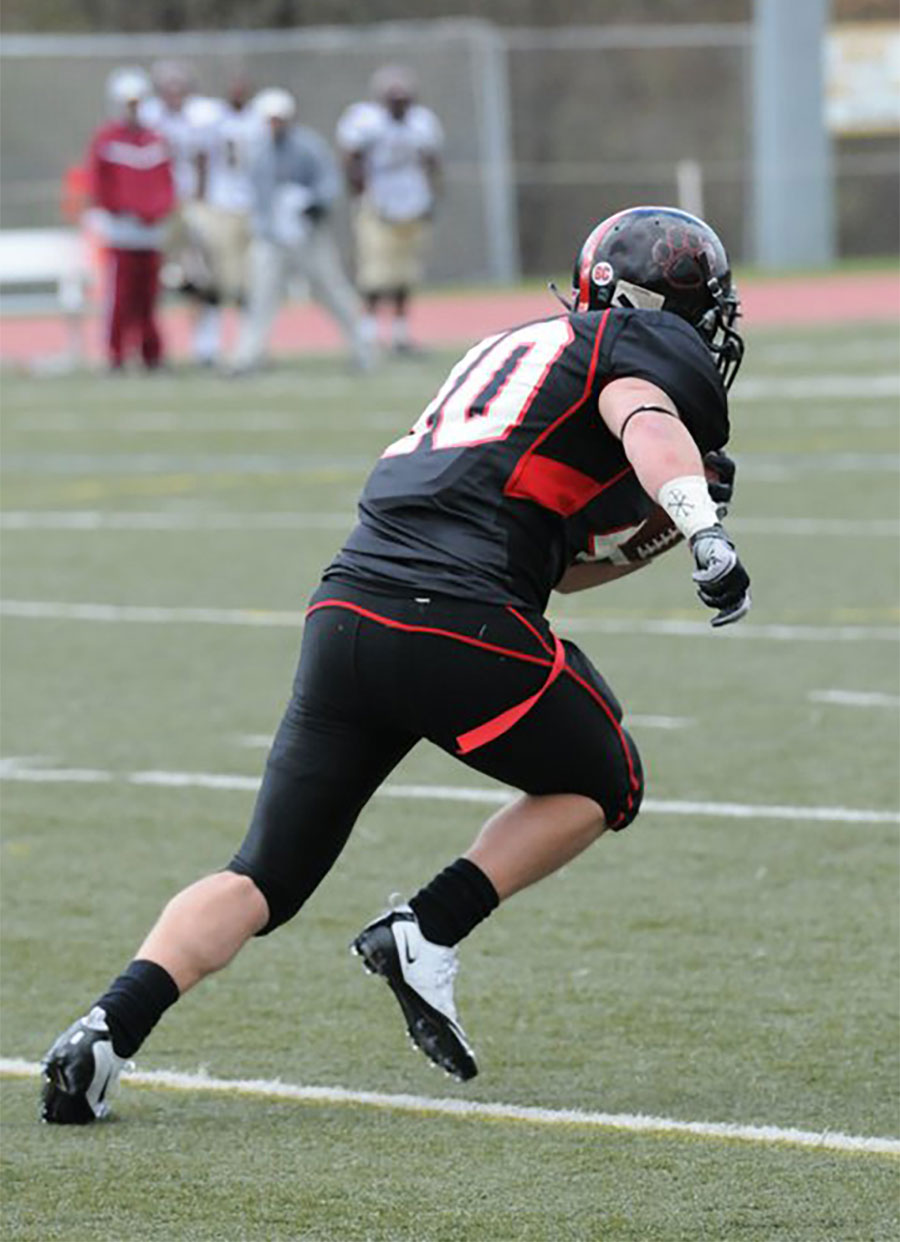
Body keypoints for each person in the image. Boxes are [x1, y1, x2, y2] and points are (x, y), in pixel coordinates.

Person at [40, 205, 751, 1121]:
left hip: (348, 609)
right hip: (455, 618)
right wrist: (703, 526)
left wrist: (653, 532)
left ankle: (106, 1029)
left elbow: (563, 573)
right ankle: (428, 928)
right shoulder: (629, 351)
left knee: (261, 875)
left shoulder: (520, 355)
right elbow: (645, 413)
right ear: (661, 304)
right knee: (606, 778)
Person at [231, 87, 372, 375]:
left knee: (333, 291)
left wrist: (315, 205)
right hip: (271, 238)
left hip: (309, 236)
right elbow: (256, 196)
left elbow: (327, 182)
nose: (275, 125)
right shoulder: (257, 151)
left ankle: (364, 350)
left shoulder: (308, 146)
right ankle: (247, 357)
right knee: (261, 298)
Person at [336, 64, 443, 355]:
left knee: (405, 273)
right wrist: (362, 195)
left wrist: (431, 197)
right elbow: (350, 159)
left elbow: (432, 163)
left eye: (403, 99)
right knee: (374, 271)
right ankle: (369, 333)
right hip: (379, 204)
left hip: (413, 204)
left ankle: (400, 334)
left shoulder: (422, 123)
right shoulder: (366, 122)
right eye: (393, 99)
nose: (399, 105)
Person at [86, 68, 175, 371]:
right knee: (120, 298)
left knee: (149, 299)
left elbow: (165, 183)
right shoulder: (107, 139)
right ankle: (116, 354)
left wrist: (157, 211)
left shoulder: (155, 139)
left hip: (151, 232)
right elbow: (100, 184)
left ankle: (152, 355)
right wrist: (121, 210)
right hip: (122, 231)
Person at [185, 74, 264, 367]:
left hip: (251, 208)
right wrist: (199, 201)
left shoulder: (259, 121)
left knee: (248, 282)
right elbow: (201, 159)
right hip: (219, 206)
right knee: (212, 279)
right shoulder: (212, 120)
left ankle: (248, 344)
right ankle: (208, 345)